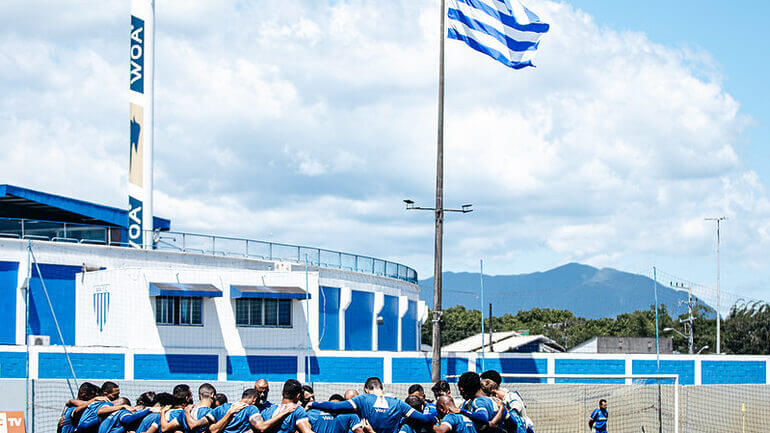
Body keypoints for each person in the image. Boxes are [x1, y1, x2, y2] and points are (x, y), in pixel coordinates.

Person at [308, 377, 436, 433]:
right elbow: (424, 418)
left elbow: (335, 406)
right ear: (382, 388)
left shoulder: (363, 399)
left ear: (366, 389)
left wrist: (313, 404)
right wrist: (434, 418)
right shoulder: (399, 404)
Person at [206, 388, 297, 433]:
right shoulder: (251, 409)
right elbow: (261, 427)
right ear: (254, 400)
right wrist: (283, 413)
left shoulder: (223, 407)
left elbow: (211, 429)